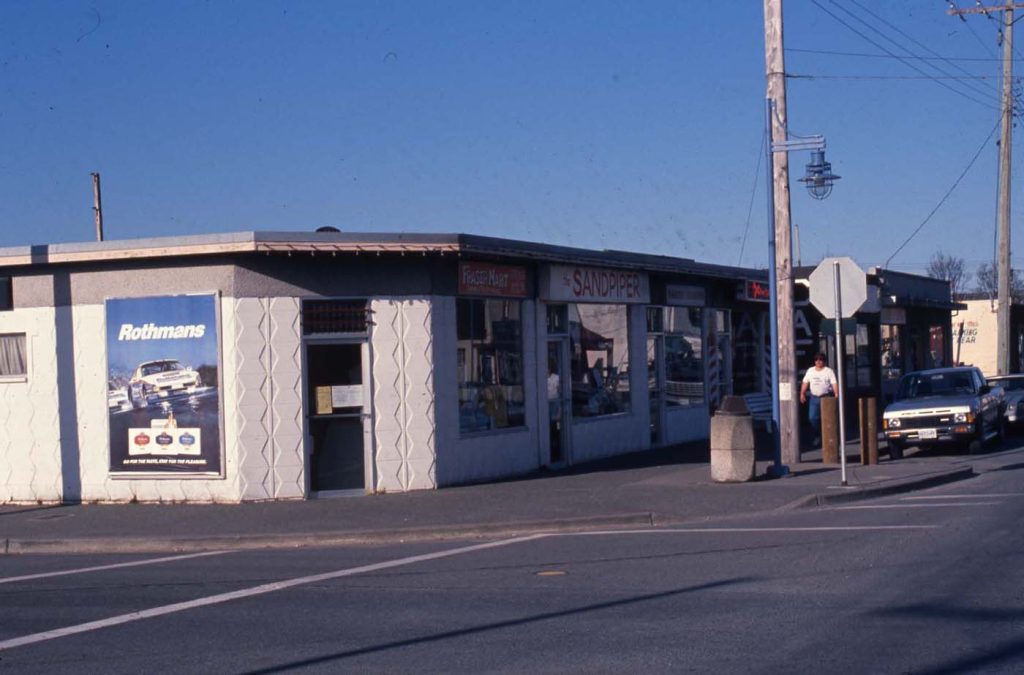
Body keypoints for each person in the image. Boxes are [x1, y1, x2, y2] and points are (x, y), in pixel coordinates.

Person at [799, 352, 837, 446]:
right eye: (816, 359)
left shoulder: (829, 371)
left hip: (826, 397)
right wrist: (802, 393)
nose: (818, 361)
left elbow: (834, 383)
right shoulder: (810, 371)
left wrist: (836, 393)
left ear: (824, 361)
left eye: (821, 359)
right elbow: (805, 382)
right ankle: (817, 435)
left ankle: (829, 438)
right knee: (812, 418)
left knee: (828, 418)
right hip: (814, 398)